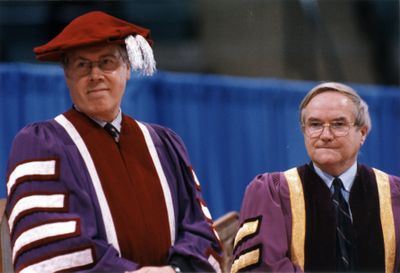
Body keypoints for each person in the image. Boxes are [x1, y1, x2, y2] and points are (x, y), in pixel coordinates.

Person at [5, 11, 222, 273]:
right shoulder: (41, 145)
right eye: (82, 65)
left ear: (127, 69)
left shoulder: (164, 144)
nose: (95, 74)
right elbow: (56, 250)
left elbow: (200, 229)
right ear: (67, 76)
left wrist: (175, 270)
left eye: (106, 62)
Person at [231, 82, 400, 272]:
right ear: (304, 131)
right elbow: (263, 267)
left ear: (362, 133)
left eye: (338, 124)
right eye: (315, 124)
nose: (325, 135)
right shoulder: (272, 192)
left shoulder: (393, 194)